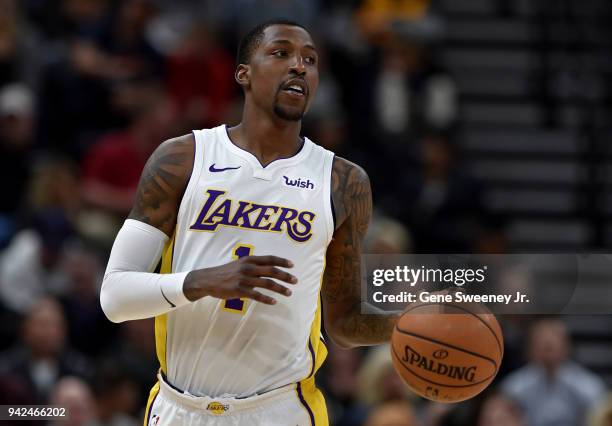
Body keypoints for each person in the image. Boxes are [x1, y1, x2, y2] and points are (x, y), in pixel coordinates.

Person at [100, 19, 399, 425]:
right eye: (281, 53)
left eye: (310, 60)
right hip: (180, 408)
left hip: (281, 409)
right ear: (243, 73)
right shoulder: (182, 158)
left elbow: (344, 323)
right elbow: (115, 297)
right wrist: (202, 281)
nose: (299, 66)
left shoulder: (343, 182)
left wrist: (412, 324)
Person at [501, 319, 606, 426]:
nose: (547, 352)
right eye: (543, 345)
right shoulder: (514, 386)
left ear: (566, 347)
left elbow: (600, 416)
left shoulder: (588, 385)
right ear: (530, 349)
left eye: (551, 346)